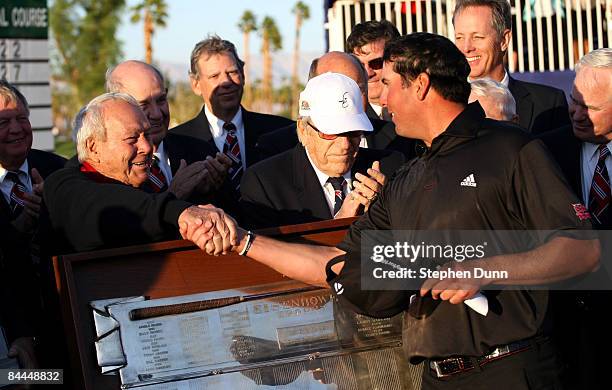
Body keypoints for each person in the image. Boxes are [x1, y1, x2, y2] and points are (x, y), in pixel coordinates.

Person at [182, 33, 600, 390]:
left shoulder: (512, 148)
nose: (381, 98)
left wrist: (485, 268)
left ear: (420, 85)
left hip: (515, 369)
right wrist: (243, 241)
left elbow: (585, 251)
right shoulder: (405, 176)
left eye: (388, 84)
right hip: (437, 377)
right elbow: (341, 265)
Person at [44, 92, 237, 254]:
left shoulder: (144, 184)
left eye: (147, 134)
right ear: (93, 147)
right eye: (132, 139)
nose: (146, 147)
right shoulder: (64, 186)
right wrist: (179, 209)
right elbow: (121, 213)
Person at [240, 72, 404, 229]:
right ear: (303, 131)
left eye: (353, 132)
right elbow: (270, 253)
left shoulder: (390, 168)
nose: (345, 144)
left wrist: (384, 212)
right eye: (331, 133)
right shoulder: (265, 183)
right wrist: (340, 224)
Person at [538, 47, 612, 389]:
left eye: (591, 108)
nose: (577, 113)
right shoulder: (543, 152)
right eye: (574, 100)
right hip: (563, 335)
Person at [171, 35, 294, 197]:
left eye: (232, 72)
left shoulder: (282, 131)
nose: (226, 82)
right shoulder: (176, 142)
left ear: (243, 75)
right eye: (214, 76)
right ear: (196, 84)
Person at [0, 80, 66, 369]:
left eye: (22, 119)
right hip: (12, 339)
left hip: (67, 325)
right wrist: (21, 225)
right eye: (3, 122)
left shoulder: (61, 171)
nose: (16, 129)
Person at [105, 60, 231, 202]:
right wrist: (174, 195)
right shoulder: (106, 170)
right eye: (143, 104)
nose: (157, 114)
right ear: (118, 109)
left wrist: (214, 189)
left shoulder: (202, 153)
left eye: (161, 100)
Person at [255, 52, 417, 160]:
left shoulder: (401, 138)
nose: (348, 99)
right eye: (336, 91)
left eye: (357, 89)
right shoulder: (277, 147)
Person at [453, 0, 570, 134]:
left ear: (504, 40)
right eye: (459, 37)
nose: (466, 48)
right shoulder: (443, 105)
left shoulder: (549, 104)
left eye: (477, 37)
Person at [346, 20, 400, 121]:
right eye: (359, 65)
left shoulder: (419, 110)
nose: (367, 73)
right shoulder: (349, 120)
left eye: (377, 63)